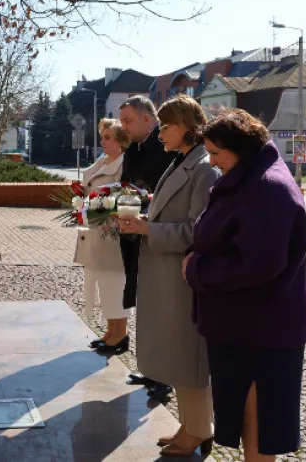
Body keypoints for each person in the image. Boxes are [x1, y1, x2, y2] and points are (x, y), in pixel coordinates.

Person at [184, 109, 306, 462]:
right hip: (245, 326)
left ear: (239, 147)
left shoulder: (266, 187)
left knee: (259, 421)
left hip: (261, 331)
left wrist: (198, 268)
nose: (211, 162)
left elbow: (257, 264)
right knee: (248, 417)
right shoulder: (249, 177)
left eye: (215, 152)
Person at [119, 96, 219, 456]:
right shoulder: (183, 162)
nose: (161, 133)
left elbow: (197, 231)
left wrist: (149, 230)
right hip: (167, 276)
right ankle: (191, 425)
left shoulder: (204, 168)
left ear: (186, 127)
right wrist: (145, 221)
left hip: (182, 279)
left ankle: (199, 429)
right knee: (178, 355)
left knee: (188, 356)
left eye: (166, 126)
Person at [116, 95, 178, 394]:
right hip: (136, 237)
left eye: (128, 121)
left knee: (162, 309)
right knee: (145, 306)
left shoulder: (165, 149)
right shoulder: (134, 149)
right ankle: (152, 369)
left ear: (147, 118)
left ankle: (165, 376)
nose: (123, 127)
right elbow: (127, 185)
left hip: (157, 237)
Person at [74, 119, 130, 351]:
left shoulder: (124, 164)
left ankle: (120, 335)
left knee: (116, 285)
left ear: (120, 140)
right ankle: (110, 331)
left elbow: (123, 196)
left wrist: (94, 208)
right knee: (103, 285)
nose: (103, 141)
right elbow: (89, 188)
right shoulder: (102, 161)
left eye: (108, 137)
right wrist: (80, 198)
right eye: (102, 137)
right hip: (96, 231)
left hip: (113, 233)